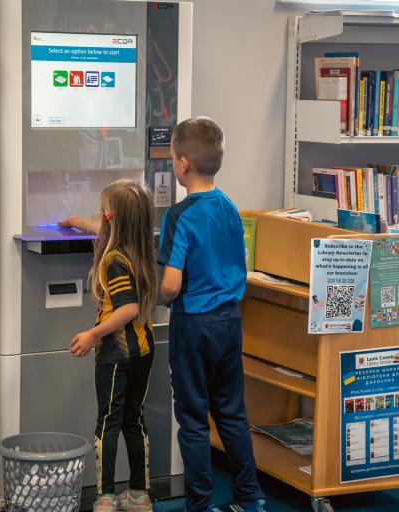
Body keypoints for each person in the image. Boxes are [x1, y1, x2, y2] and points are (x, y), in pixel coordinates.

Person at [158, 117, 265, 512]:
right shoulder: (230, 209)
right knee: (232, 413)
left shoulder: (179, 215)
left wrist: (161, 300)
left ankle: (200, 504)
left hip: (193, 325)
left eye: (172, 157)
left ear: (182, 164)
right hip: (229, 321)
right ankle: (249, 497)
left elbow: (170, 284)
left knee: (193, 418)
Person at [64, 180, 158, 512]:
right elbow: (102, 227)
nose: (99, 217)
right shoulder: (142, 247)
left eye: (102, 212)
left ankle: (104, 496)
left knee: (108, 421)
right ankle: (139, 494)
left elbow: (128, 308)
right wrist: (76, 222)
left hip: (116, 353)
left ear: (111, 218)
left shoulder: (114, 260)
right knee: (134, 418)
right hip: (144, 349)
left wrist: (92, 335)